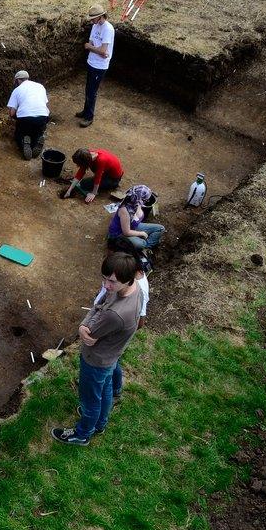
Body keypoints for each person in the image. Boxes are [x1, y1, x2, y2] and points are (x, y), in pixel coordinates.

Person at [52, 253, 143, 446]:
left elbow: (89, 332)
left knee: (90, 400)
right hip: (111, 357)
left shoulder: (115, 314)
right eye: (104, 278)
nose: (106, 285)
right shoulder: (135, 290)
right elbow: (99, 303)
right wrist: (91, 317)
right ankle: (100, 424)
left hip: (96, 360)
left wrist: (82, 326)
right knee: (106, 388)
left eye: (112, 281)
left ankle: (83, 434)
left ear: (128, 279)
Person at [91, 237, 150, 402]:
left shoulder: (139, 287)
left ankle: (110, 394)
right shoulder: (122, 281)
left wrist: (109, 329)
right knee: (112, 365)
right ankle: (114, 390)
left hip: (111, 336)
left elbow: (140, 322)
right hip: (109, 328)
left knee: (109, 368)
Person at [76, 5, 114, 128]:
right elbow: (94, 44)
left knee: (92, 92)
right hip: (91, 62)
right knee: (88, 89)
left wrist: (90, 48)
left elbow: (102, 50)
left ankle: (89, 117)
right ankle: (86, 111)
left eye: (93, 18)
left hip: (100, 66)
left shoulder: (108, 29)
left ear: (100, 16)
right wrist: (95, 49)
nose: (92, 21)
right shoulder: (95, 26)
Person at [6, 70, 50, 160]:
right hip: (42, 117)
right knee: (37, 132)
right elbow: (44, 105)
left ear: (18, 80)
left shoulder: (17, 90)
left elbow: (11, 113)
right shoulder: (40, 86)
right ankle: (37, 140)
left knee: (19, 134)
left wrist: (17, 113)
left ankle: (24, 142)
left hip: (25, 119)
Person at [107, 184, 165, 250]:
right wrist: (141, 233)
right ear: (140, 199)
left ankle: (146, 246)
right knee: (142, 244)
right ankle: (144, 248)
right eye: (145, 200)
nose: (146, 201)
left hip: (133, 226)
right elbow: (126, 232)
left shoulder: (135, 202)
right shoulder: (125, 211)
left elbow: (139, 215)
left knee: (160, 229)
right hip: (119, 234)